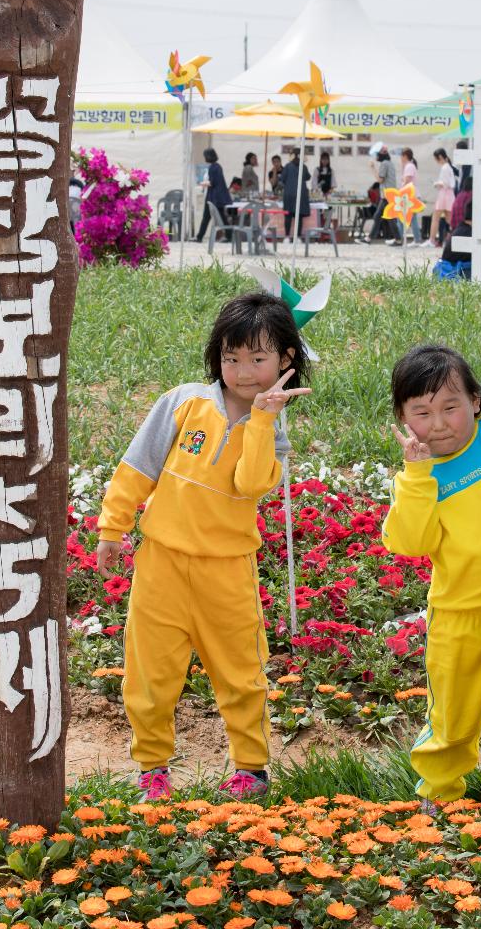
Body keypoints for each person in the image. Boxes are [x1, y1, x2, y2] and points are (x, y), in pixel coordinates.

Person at [96, 292, 311, 803]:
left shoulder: (273, 430)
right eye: (231, 357)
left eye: (258, 359)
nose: (242, 371)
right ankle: (152, 769)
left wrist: (261, 421)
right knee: (149, 673)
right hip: (161, 565)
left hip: (228, 572)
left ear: (285, 360)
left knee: (242, 673)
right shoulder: (183, 402)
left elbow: (250, 483)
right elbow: (138, 466)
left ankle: (251, 770)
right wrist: (112, 527)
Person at [383, 344, 481, 805]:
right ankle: (438, 800)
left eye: (451, 407)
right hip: (458, 619)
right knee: (452, 721)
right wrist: (416, 477)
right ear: (404, 418)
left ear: (476, 401)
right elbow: (410, 543)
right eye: (421, 412)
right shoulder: (420, 477)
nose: (438, 424)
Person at [356, 144, 401, 245]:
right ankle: (369, 239)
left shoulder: (384, 164)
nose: (375, 157)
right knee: (378, 216)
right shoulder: (389, 163)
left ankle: (398, 239)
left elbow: (380, 179)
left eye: (376, 154)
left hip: (387, 195)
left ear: (381, 154)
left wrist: (372, 168)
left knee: (388, 217)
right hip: (389, 194)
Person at [195, 148, 232, 242]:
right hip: (217, 197)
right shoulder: (217, 166)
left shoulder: (213, 167)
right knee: (222, 218)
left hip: (213, 197)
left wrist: (202, 183)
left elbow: (212, 182)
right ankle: (229, 236)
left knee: (206, 218)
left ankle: (199, 237)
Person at [280, 149, 311, 240]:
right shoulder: (304, 167)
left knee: (288, 216)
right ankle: (297, 236)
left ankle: (287, 236)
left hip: (289, 194)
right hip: (300, 195)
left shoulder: (287, 166)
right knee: (299, 217)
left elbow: (282, 179)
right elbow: (308, 177)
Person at [431, 148, 456, 248]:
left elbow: (445, 183)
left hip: (444, 194)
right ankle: (456, 237)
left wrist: (436, 184)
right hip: (449, 194)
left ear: (440, 157)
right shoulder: (449, 167)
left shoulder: (445, 167)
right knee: (449, 219)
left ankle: (432, 240)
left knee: (436, 217)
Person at [400, 147, 423, 245]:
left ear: (405, 156)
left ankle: (400, 238)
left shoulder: (409, 166)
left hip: (411, 196)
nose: (400, 158)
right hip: (412, 195)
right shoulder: (410, 166)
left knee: (401, 218)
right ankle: (416, 239)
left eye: (401, 156)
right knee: (412, 218)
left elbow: (407, 180)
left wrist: (400, 191)